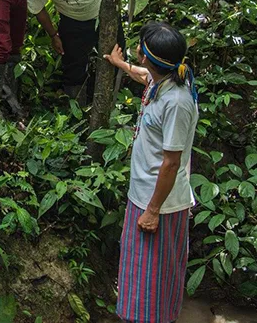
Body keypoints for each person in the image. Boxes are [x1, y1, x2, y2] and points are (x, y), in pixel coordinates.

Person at [102, 22, 199, 323]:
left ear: (147, 56)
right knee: (139, 273)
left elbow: (171, 162)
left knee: (153, 278)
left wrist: (153, 210)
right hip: (144, 196)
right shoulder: (162, 81)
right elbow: (144, 76)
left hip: (161, 204)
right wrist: (120, 64)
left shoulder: (177, 103)